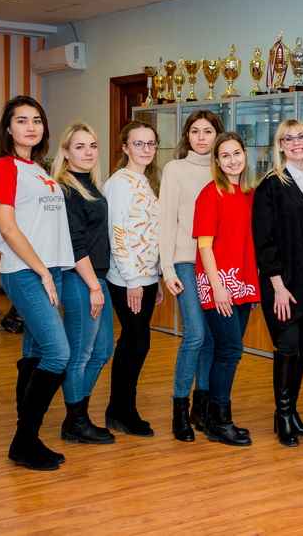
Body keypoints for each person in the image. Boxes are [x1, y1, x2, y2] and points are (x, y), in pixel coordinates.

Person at [0, 95, 74, 471]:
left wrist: (52, 270)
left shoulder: (38, 169)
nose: (31, 127)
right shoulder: (4, 167)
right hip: (25, 272)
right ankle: (24, 440)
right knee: (58, 353)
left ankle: (27, 441)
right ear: (8, 128)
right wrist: (42, 272)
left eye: (36, 120)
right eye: (22, 120)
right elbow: (8, 228)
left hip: (50, 269)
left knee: (37, 354)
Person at [252, 120, 303, 447]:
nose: (296, 143)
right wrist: (278, 285)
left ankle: (291, 410)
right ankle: (282, 415)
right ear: (280, 146)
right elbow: (264, 240)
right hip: (282, 280)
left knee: (302, 345)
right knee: (287, 344)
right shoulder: (271, 185)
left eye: (301, 137)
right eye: (288, 138)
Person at [159, 110, 224, 442]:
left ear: (217, 135)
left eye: (208, 131)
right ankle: (179, 410)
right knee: (195, 335)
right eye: (195, 131)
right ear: (187, 136)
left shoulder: (224, 168)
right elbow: (166, 221)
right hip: (185, 261)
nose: (201, 137)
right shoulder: (175, 169)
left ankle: (202, 407)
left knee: (211, 337)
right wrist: (166, 269)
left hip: (217, 264)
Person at [193, 132, 260, 447]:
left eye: (237, 153)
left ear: (245, 155)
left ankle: (212, 418)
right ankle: (221, 422)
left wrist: (252, 288)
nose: (232, 160)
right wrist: (218, 287)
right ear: (217, 161)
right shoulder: (211, 193)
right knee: (230, 350)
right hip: (218, 285)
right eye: (225, 155)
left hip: (243, 284)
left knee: (229, 350)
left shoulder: (249, 194)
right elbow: (204, 245)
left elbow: (249, 244)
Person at [52, 122, 114, 445]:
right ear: (65, 152)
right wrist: (93, 287)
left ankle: (76, 416)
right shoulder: (67, 189)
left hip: (97, 277)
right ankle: (77, 421)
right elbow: (75, 244)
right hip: (80, 279)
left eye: (92, 146)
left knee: (102, 351)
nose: (88, 152)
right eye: (79, 147)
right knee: (80, 354)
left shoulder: (89, 184)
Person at [103, 120, 163, 438]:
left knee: (130, 342)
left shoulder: (149, 181)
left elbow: (152, 233)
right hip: (127, 278)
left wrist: (157, 276)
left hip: (147, 276)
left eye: (151, 143)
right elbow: (118, 234)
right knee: (138, 343)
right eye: (138, 143)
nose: (146, 149)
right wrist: (133, 280)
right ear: (125, 147)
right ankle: (124, 410)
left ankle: (117, 410)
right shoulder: (119, 183)